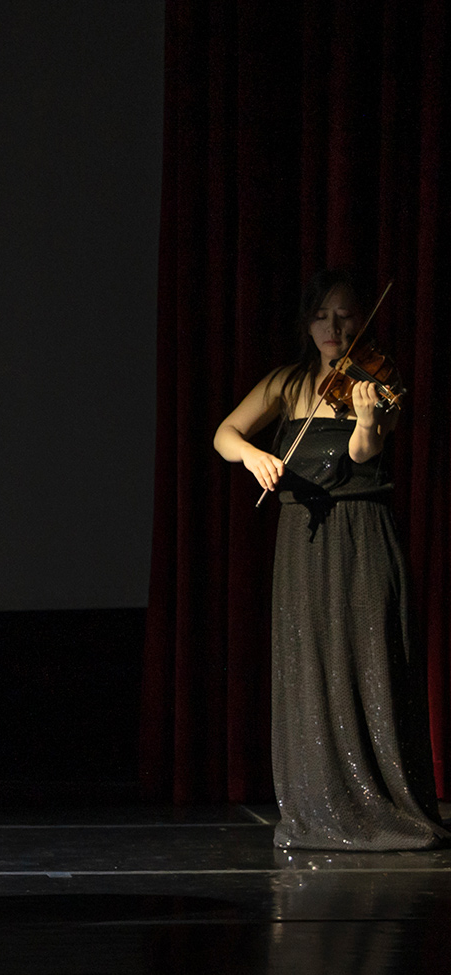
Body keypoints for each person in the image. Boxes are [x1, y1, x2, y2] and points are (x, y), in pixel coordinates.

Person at [212, 270, 445, 851]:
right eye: (321, 316)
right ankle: (319, 805)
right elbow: (225, 433)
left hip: (362, 533)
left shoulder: (377, 381)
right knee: (309, 663)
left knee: (369, 661)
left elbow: (364, 453)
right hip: (302, 539)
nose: (333, 328)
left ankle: (382, 807)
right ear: (307, 323)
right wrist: (251, 456)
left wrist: (366, 419)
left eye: (344, 316)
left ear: (362, 320)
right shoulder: (286, 382)